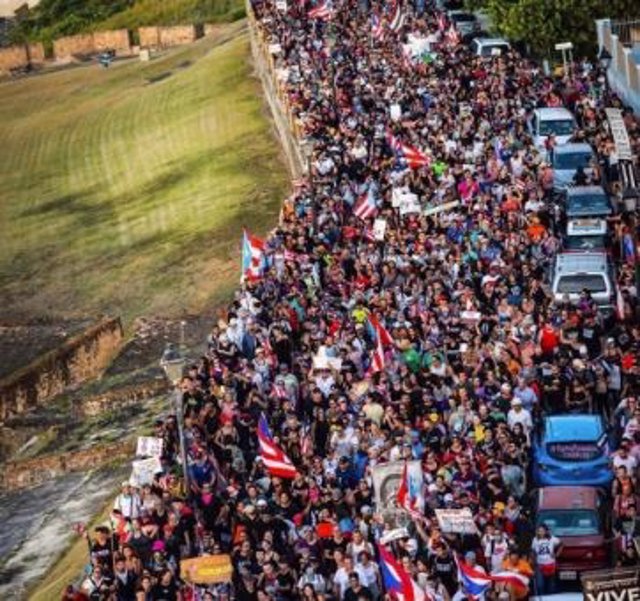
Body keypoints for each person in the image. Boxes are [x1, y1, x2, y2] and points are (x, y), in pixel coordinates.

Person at [531, 525, 563, 595]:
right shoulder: (535, 539)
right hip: (540, 565)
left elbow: (561, 544)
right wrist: (533, 562)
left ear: (546, 531)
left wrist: (557, 554)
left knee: (551, 585)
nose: (541, 532)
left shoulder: (552, 538)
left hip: (550, 564)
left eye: (542, 531)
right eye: (539, 531)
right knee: (540, 585)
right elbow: (533, 551)